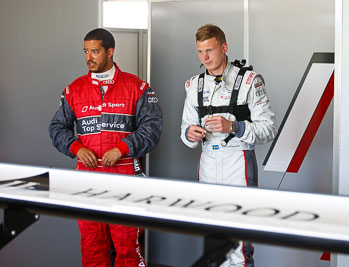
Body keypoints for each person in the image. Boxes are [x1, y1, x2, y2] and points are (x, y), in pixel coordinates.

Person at [49, 28, 162, 267]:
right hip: (87, 179)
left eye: (95, 51)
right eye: (86, 51)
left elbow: (152, 129)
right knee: (92, 249)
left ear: (110, 52)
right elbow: (57, 128)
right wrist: (76, 148)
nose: (89, 57)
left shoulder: (137, 87)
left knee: (128, 250)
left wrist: (123, 147)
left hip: (125, 177)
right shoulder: (74, 89)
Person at [180, 24, 277, 267]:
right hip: (207, 163)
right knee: (214, 240)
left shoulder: (250, 81)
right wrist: (190, 134)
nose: (205, 57)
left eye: (210, 50)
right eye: (200, 52)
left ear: (224, 48)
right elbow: (185, 129)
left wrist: (233, 127)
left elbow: (268, 130)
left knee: (239, 242)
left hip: (238, 162)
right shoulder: (194, 85)